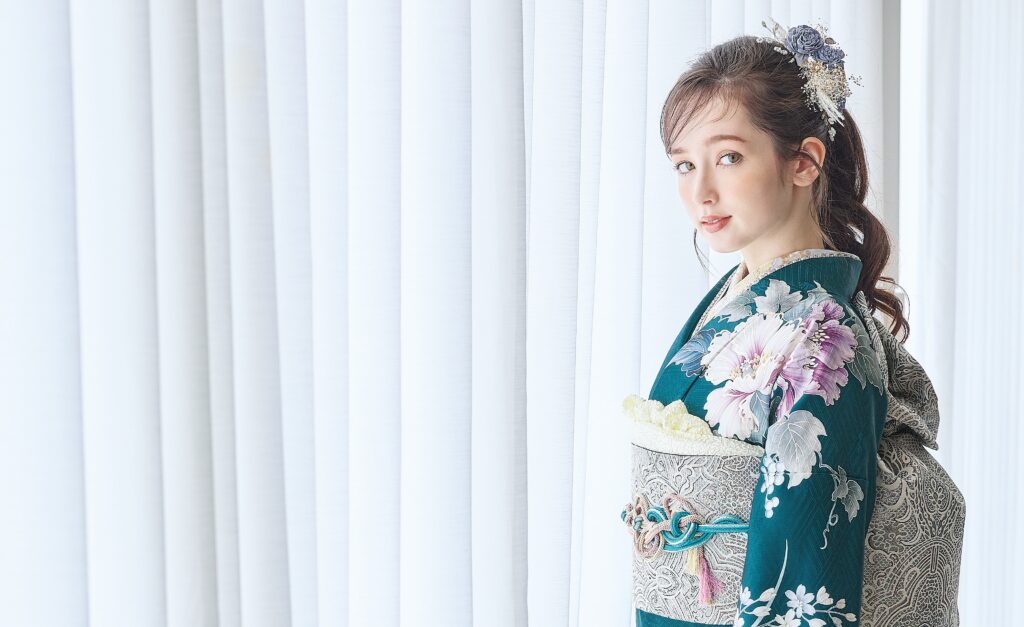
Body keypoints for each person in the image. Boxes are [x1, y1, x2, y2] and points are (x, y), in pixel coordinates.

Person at [622, 18, 965, 627]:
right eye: (683, 164)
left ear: (804, 162)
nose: (701, 191)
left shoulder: (822, 336)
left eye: (728, 157)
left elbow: (806, 568)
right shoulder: (740, 302)